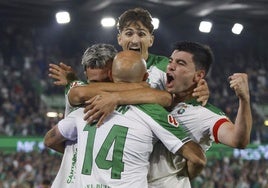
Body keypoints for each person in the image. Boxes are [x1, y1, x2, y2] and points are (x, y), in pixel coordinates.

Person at [87, 41, 252, 187]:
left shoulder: (205, 114)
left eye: (180, 63)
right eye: (171, 61)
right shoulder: (155, 95)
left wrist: (244, 99)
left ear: (199, 75)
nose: (170, 66)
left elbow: (239, 140)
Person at [44, 50, 206, 187]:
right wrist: (178, 179)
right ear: (146, 77)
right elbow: (197, 158)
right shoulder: (154, 111)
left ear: (111, 76)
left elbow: (50, 140)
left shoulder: (85, 110)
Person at [46, 43, 117, 187]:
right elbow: (49, 141)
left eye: (106, 82)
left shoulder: (127, 98)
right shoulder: (78, 93)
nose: (99, 89)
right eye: (94, 83)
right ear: (86, 75)